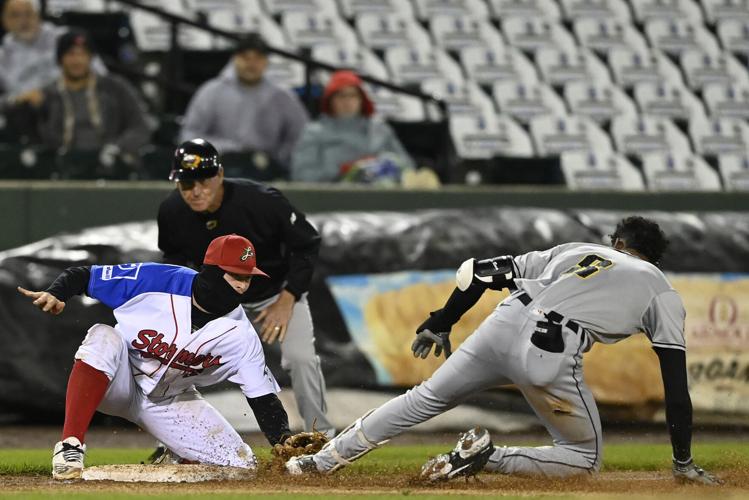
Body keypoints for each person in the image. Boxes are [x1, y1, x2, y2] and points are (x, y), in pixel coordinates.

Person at [286, 216, 721, 486]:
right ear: (654, 259)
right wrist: (682, 460)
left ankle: (321, 463)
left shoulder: (576, 250)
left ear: (617, 245)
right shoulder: (661, 290)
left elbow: (477, 273)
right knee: (584, 460)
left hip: (503, 321)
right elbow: (675, 387)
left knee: (423, 399)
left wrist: (443, 320)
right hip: (548, 350)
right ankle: (487, 457)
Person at [17, 234, 295, 480]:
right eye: (236, 275)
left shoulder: (241, 335)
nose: (242, 286)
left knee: (240, 466)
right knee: (103, 336)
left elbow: (263, 398)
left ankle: (178, 453)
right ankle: (70, 446)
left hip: (169, 400)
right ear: (209, 271)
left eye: (247, 277)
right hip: (119, 380)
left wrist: (283, 439)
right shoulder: (155, 280)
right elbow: (84, 275)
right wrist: (56, 293)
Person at [157, 138, 334, 437]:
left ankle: (323, 438)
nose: (195, 191)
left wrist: (288, 297)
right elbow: (173, 262)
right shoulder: (172, 211)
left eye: (202, 180)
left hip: (274, 295)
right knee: (173, 363)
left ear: (220, 175)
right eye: (186, 184)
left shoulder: (262, 201)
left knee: (302, 359)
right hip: (215, 303)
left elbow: (307, 244)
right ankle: (173, 443)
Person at [179, 33, 308, 172]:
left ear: (266, 62)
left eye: (258, 58)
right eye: (246, 58)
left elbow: (302, 135)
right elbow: (189, 135)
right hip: (219, 169)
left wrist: (279, 160)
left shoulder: (283, 97)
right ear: (235, 59)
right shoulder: (211, 92)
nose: (251, 64)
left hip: (265, 171)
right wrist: (228, 150)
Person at [35, 29, 149, 165]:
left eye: (83, 54)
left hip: (110, 164)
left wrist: (118, 148)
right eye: (71, 54)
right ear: (60, 59)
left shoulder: (115, 88)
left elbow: (141, 126)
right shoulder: (48, 94)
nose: (77, 60)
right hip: (60, 167)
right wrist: (22, 104)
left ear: (91, 58)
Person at [291, 70, 414, 183]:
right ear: (329, 100)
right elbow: (301, 175)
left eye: (353, 95)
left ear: (362, 100)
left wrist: (385, 166)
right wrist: (343, 170)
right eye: (341, 96)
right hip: (333, 199)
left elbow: (408, 167)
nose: (347, 101)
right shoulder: (314, 132)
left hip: (382, 197)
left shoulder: (379, 129)